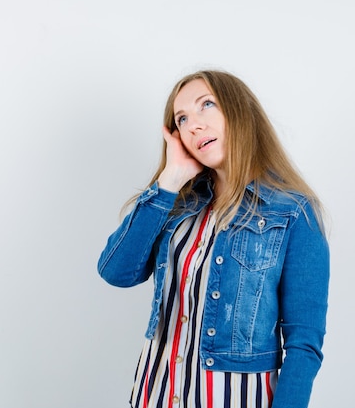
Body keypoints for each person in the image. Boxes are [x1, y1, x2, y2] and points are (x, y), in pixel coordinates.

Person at [97, 70, 329, 408]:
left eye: (206, 104)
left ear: (239, 111)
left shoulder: (294, 213)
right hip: (155, 395)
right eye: (182, 119)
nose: (193, 125)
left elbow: (304, 343)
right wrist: (168, 183)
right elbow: (116, 272)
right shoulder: (175, 204)